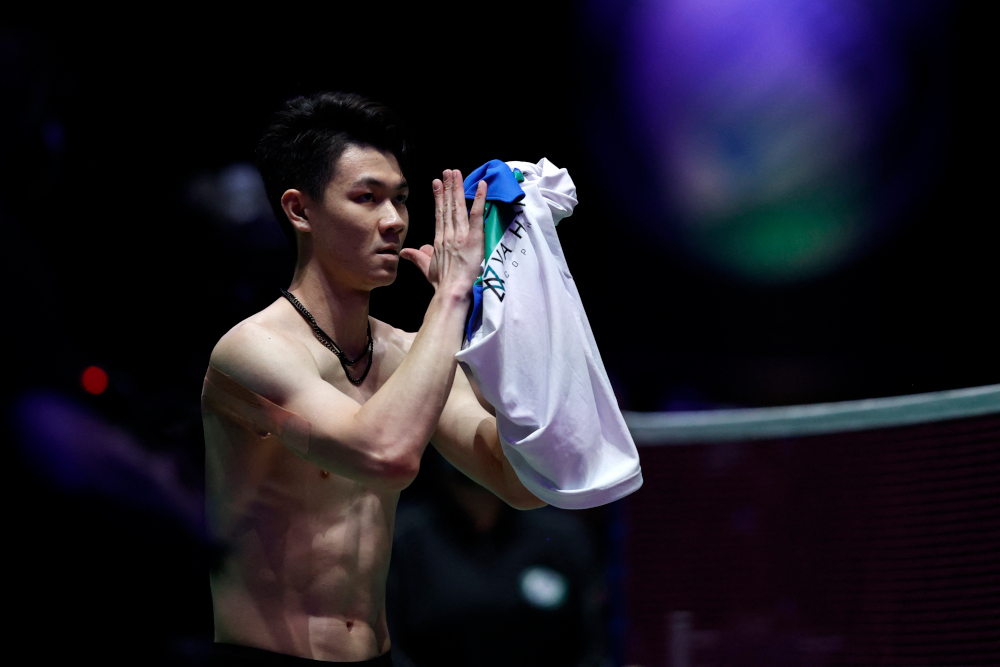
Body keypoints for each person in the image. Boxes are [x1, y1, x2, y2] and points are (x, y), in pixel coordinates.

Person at [202, 92, 545, 665]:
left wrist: (499, 327)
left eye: (402, 200)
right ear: (300, 210)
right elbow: (384, 453)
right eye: (367, 198)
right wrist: (451, 299)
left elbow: (521, 483)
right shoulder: (252, 352)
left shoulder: (408, 351)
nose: (394, 221)